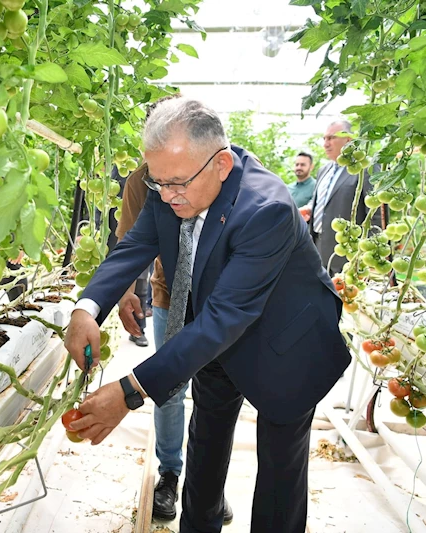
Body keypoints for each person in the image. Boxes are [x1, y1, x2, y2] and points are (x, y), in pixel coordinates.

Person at [64, 97, 351, 533]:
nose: (167, 195)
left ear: (220, 164)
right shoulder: (171, 182)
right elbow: (133, 247)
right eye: (159, 183)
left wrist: (128, 392)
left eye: (176, 184)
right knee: (205, 447)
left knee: (280, 473)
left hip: (286, 345)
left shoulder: (265, 208)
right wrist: (88, 308)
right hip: (216, 341)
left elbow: (224, 316)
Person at [114, 96, 232, 523]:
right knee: (169, 388)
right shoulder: (139, 184)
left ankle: (208, 485)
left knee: (216, 391)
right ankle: (170, 473)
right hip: (168, 296)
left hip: (219, 300)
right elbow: (130, 243)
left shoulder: (214, 174)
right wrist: (126, 291)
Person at [302, 120, 385, 275]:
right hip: (318, 248)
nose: (326, 144)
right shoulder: (324, 170)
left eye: (331, 138)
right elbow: (322, 200)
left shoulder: (365, 168)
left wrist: (371, 253)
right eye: (324, 139)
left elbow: (375, 214)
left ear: (348, 140)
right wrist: (309, 208)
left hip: (347, 254)